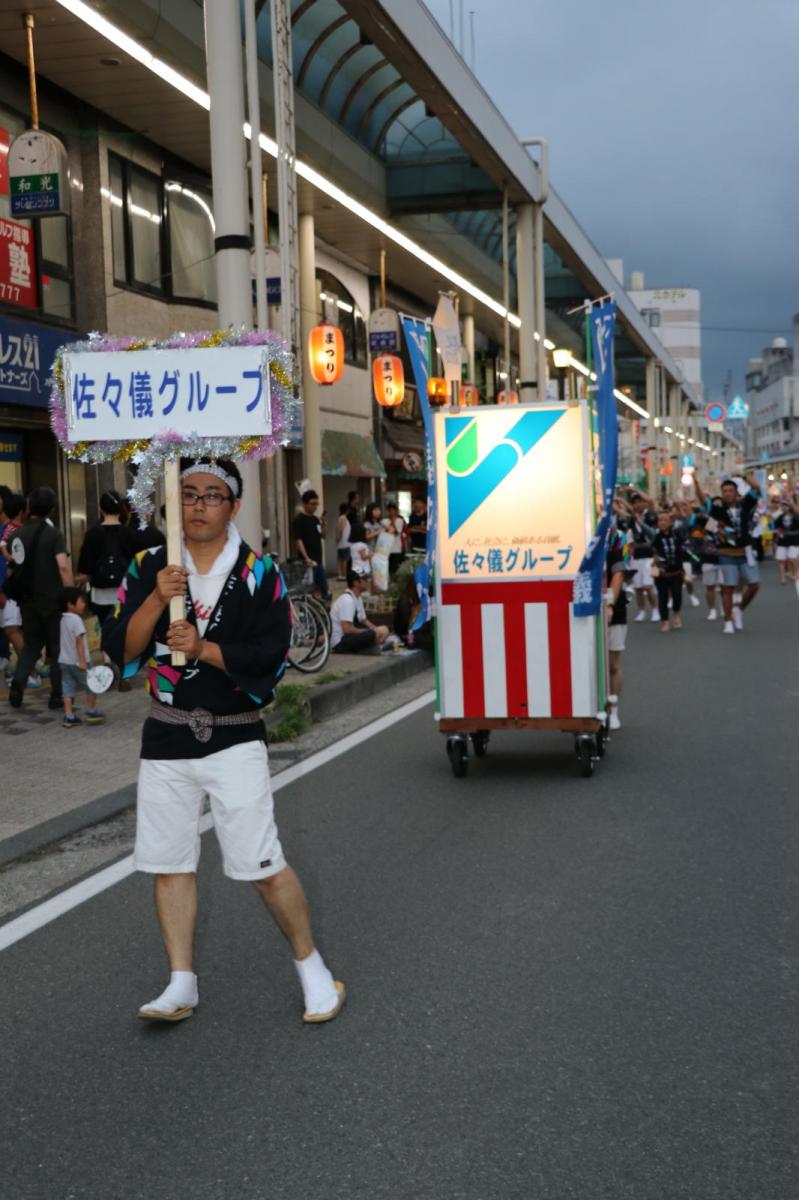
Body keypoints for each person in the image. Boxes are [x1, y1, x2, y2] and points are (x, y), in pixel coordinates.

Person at [103, 457, 344, 1025]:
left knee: (262, 863)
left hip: (234, 736)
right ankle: (180, 982)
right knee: (169, 863)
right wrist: (159, 599)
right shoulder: (149, 565)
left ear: (234, 506)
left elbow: (274, 654)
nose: (199, 505)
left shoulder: (260, 573)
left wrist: (207, 649)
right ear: (172, 503)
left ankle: (313, 970)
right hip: (166, 731)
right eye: (188, 494)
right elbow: (120, 647)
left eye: (213, 495)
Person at [7, 486, 73, 710]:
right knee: (56, 649)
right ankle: (57, 695)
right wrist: (71, 594)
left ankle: (18, 683)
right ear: (52, 509)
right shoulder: (55, 534)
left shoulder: (16, 535)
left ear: (29, 507)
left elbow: (14, 567)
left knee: (31, 646)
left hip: (28, 600)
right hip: (53, 600)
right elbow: (63, 566)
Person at [698, 472, 761, 634]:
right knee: (728, 588)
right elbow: (707, 521)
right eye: (724, 491)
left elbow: (756, 488)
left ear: (736, 492)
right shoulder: (718, 508)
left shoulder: (745, 504)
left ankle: (739, 610)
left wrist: (742, 476)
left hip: (745, 551)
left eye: (730, 490)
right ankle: (727, 620)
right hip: (726, 553)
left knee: (754, 585)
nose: (727, 493)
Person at [77, 490, 139, 625]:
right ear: (121, 508)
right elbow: (137, 565)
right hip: (125, 591)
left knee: (105, 630)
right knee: (122, 630)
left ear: (100, 509)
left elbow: (84, 570)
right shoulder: (129, 534)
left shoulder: (92, 533)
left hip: (100, 594)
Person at [59, 586, 105, 729]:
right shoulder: (76, 620)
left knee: (67, 689)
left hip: (64, 661)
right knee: (93, 686)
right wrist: (83, 661)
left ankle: (69, 716)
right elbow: (79, 642)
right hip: (79, 662)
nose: (84, 604)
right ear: (70, 604)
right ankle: (90, 711)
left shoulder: (62, 619)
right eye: (81, 601)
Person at [605, 523, 632, 730]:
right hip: (581, 604)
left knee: (613, 664)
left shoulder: (613, 535)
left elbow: (619, 573)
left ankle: (614, 708)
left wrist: (610, 603)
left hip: (612, 607)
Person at [330, 570, 389, 654]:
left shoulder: (358, 598)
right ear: (356, 583)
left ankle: (373, 647)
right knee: (374, 633)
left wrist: (375, 629)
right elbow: (347, 629)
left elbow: (364, 620)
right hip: (340, 642)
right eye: (364, 579)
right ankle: (373, 647)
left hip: (349, 637)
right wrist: (369, 632)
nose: (368, 582)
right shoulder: (347, 600)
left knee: (384, 630)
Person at [292, 489, 331, 602]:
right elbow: (299, 540)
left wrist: (323, 522)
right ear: (305, 504)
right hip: (306, 563)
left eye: (316, 504)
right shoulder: (299, 520)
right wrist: (306, 558)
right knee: (308, 592)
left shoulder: (315, 520)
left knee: (323, 589)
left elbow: (324, 536)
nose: (315, 507)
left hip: (318, 561)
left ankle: (323, 613)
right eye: (312, 504)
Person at [626, 491, 659, 623]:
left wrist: (635, 489)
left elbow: (651, 501)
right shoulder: (631, 519)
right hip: (636, 556)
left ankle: (655, 610)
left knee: (648, 585)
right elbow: (629, 536)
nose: (637, 505)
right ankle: (641, 611)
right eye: (634, 503)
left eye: (639, 502)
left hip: (649, 556)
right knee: (638, 587)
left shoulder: (650, 515)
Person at [652, 510, 685, 633]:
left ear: (671, 522)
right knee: (662, 597)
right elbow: (653, 555)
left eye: (666, 520)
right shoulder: (654, 536)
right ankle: (664, 621)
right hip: (660, 573)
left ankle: (676, 614)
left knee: (677, 596)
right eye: (660, 520)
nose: (663, 522)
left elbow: (685, 523)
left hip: (676, 572)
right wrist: (654, 572)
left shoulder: (677, 534)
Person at [773, 498, 799, 584]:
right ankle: (782, 578)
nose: (784, 507)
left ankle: (795, 574)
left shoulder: (795, 516)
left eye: (785, 505)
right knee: (781, 560)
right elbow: (776, 529)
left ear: (789, 507)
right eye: (782, 506)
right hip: (783, 542)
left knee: (792, 558)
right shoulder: (779, 518)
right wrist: (778, 535)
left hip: (794, 540)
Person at [382, 500, 406, 576]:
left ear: (396, 510)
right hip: (387, 548)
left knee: (395, 569)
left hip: (396, 548)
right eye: (389, 510)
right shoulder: (384, 521)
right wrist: (390, 522)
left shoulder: (400, 520)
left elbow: (396, 532)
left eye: (393, 510)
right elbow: (385, 532)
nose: (391, 511)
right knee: (387, 569)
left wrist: (392, 521)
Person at [334, 501, 351, 580]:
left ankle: (341, 574)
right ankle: (343, 574)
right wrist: (338, 538)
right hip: (344, 542)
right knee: (344, 559)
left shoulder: (341, 518)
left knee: (341, 559)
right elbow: (341, 530)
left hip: (343, 542)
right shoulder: (343, 518)